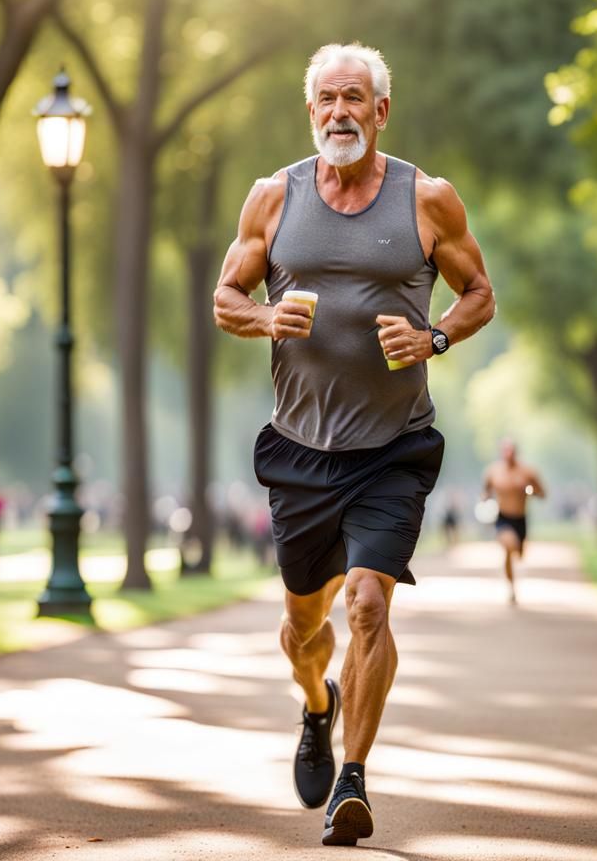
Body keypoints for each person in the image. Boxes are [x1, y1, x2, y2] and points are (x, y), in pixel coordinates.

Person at [213, 42, 495, 846]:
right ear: (311, 113)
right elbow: (226, 296)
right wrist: (267, 318)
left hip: (393, 447)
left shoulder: (427, 198)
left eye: (355, 98)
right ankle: (316, 703)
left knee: (368, 603)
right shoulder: (274, 198)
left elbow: (480, 293)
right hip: (301, 447)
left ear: (381, 110)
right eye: (326, 99)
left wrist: (433, 339)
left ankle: (354, 779)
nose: (341, 112)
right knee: (303, 629)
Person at [481, 439, 545, 604]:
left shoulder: (527, 472)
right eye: (505, 450)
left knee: (519, 553)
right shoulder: (493, 471)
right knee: (509, 547)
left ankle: (517, 552)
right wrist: (486, 500)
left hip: (520, 519)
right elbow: (485, 491)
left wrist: (530, 490)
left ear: (516, 452)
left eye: (511, 451)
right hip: (503, 518)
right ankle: (511, 587)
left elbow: (542, 493)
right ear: (501, 452)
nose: (508, 454)